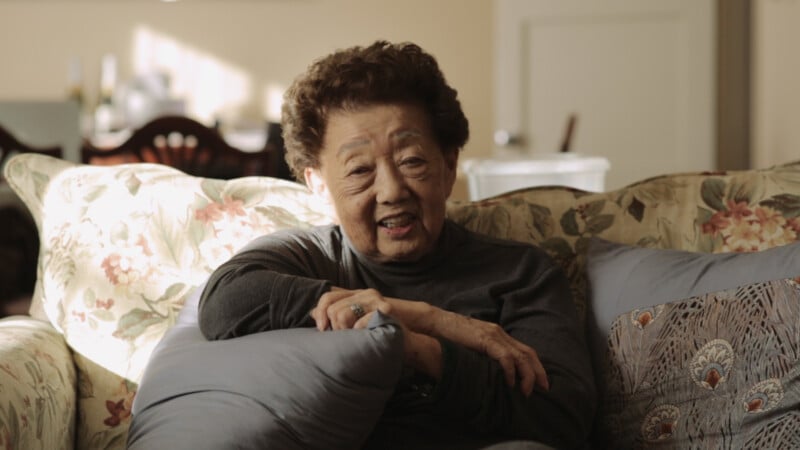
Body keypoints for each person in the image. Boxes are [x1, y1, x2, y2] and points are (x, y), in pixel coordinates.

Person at [198, 40, 596, 450]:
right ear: (319, 185)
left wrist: (422, 351)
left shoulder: (520, 273)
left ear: (448, 165)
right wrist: (428, 319)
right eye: (360, 170)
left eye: (412, 161)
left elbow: (562, 417)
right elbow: (223, 303)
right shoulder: (307, 258)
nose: (391, 191)